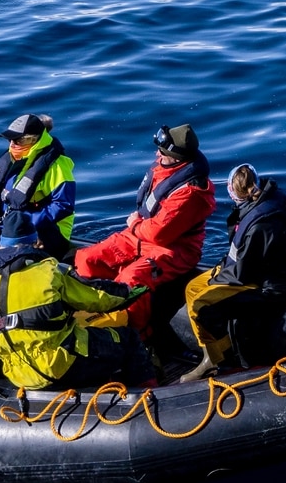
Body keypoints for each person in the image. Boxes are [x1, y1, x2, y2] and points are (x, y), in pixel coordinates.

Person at [74, 124, 214, 355]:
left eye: (164, 153)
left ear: (177, 159)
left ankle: (136, 337)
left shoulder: (191, 192)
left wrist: (135, 224)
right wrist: (137, 226)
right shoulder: (164, 171)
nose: (158, 155)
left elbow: (160, 234)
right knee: (87, 258)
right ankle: (94, 313)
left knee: (132, 277)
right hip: (140, 236)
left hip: (172, 249)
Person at [173, 164, 286, 382]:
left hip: (270, 285)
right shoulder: (267, 200)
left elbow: (241, 274)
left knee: (203, 304)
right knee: (192, 287)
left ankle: (222, 362)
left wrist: (217, 278)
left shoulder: (261, 224)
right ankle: (211, 354)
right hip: (257, 271)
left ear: (233, 192)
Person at [0, 243, 146, 391]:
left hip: (17, 375)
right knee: (128, 338)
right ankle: (146, 392)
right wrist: (132, 291)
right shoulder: (47, 271)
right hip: (64, 364)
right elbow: (97, 298)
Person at [0, 112, 77, 260]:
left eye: (20, 141)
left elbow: (63, 206)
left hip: (45, 230)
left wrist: (23, 222)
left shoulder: (58, 166)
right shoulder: (8, 159)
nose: (13, 145)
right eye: (11, 140)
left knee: (9, 257)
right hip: (9, 224)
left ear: (34, 139)